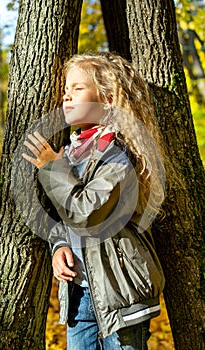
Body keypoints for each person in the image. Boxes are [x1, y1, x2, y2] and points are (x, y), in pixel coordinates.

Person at [23, 52, 166, 350]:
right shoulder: (73, 150)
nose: (66, 96)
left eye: (77, 88)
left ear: (108, 98)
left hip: (120, 292)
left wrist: (52, 168)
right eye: (65, 89)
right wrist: (60, 245)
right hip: (80, 290)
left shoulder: (117, 153)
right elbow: (63, 213)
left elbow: (87, 211)